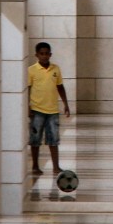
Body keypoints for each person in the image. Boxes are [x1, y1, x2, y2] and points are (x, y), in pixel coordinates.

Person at [27, 41, 71, 176]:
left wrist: (65, 104)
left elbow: (60, 86)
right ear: (37, 55)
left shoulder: (55, 69)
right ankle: (35, 166)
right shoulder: (31, 70)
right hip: (37, 110)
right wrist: (28, 107)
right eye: (42, 54)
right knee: (35, 140)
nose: (44, 56)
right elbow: (28, 89)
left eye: (47, 54)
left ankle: (56, 167)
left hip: (52, 111)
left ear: (50, 55)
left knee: (53, 140)